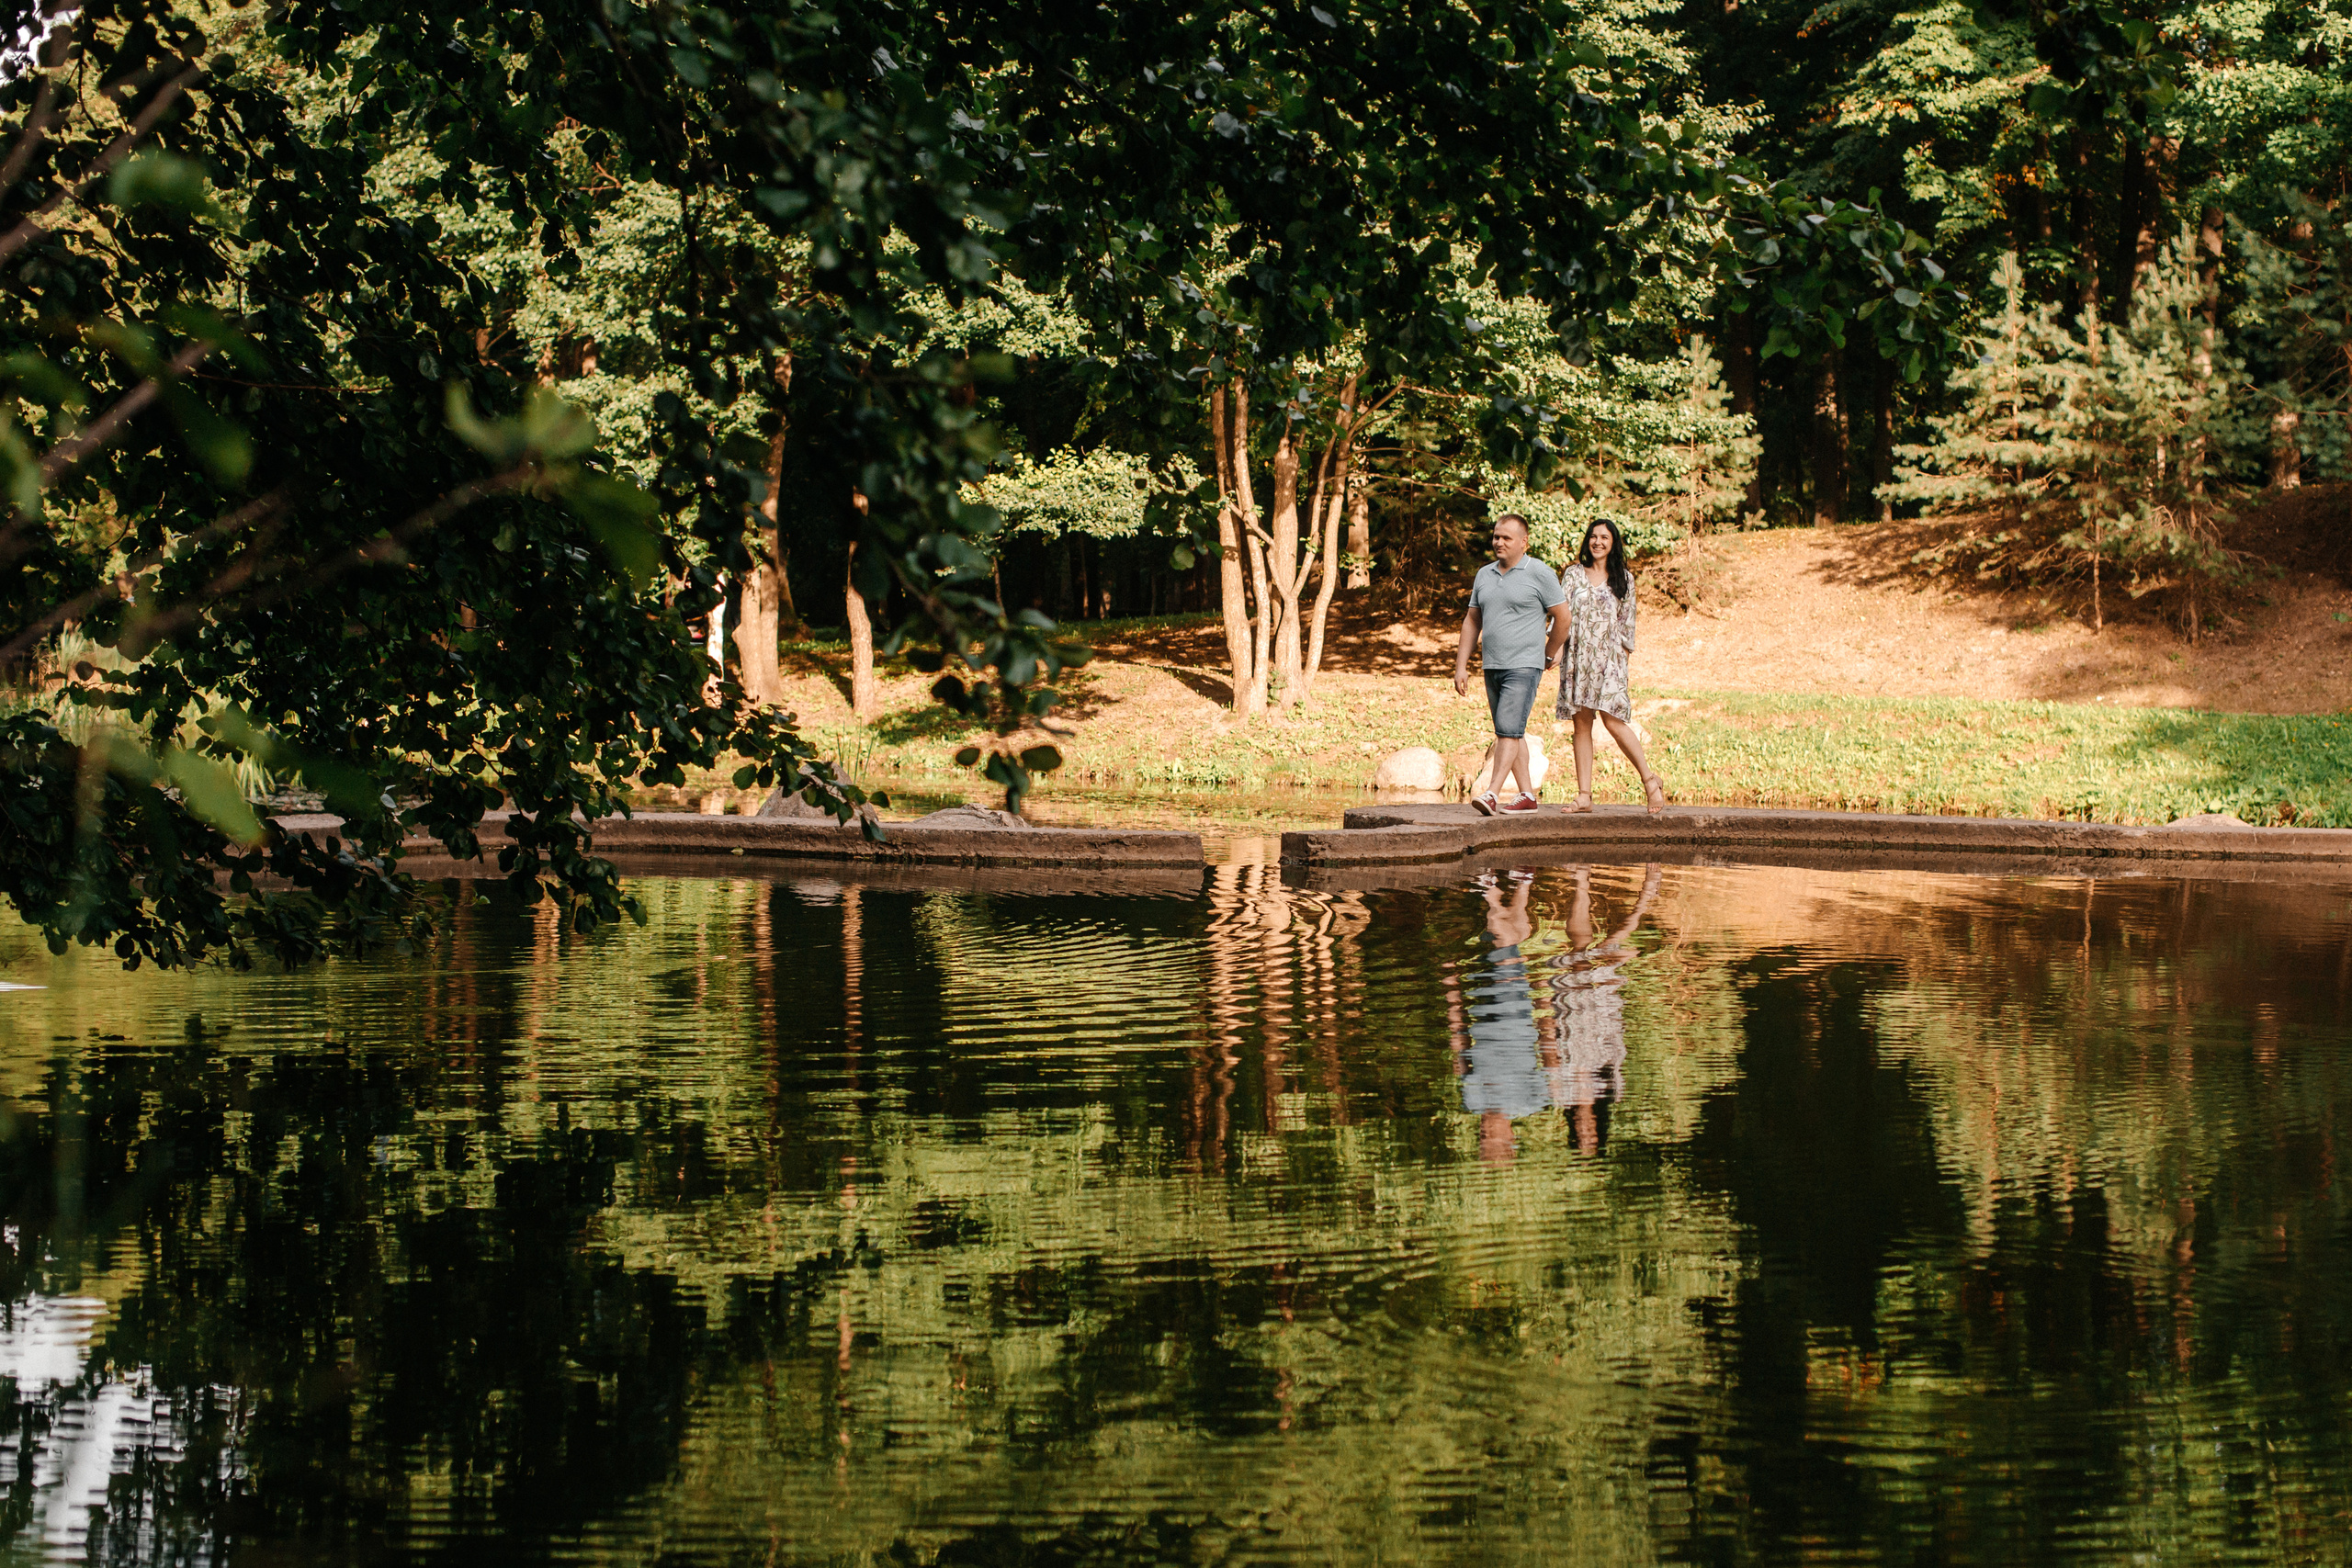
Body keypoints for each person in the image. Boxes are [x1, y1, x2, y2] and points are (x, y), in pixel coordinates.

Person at [1453, 513, 1569, 816]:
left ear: (1523, 542)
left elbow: (1564, 617)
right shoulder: (1484, 575)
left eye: (1506, 537)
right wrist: (1461, 665)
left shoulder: (1539, 573)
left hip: (1524, 664)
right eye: (1496, 536)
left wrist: (1548, 652)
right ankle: (1527, 795)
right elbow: (1472, 620)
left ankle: (1491, 793)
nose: (1498, 542)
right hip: (1492, 664)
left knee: (1507, 730)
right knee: (1511, 730)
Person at [1556, 518, 1667, 814]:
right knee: (1581, 723)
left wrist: (1621, 668)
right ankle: (1584, 795)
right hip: (1578, 658)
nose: (1597, 542)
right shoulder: (1572, 575)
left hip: (1610, 662)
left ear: (1613, 543)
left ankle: (1650, 781)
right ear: (1587, 541)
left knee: (1613, 720)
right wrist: (1553, 650)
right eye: (1593, 537)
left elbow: (1627, 627)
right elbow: (1560, 616)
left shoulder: (1625, 579)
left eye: (1604, 537)